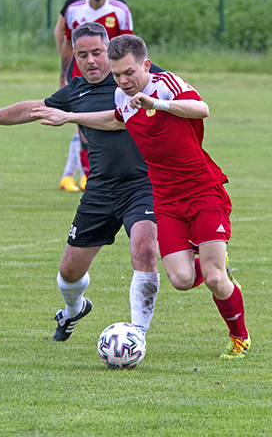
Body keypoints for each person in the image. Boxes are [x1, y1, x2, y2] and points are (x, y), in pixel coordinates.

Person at [32, 34, 250, 359]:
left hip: (202, 189)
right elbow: (114, 120)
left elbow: (201, 109)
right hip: (165, 198)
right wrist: (70, 117)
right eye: (118, 75)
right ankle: (209, 261)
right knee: (180, 278)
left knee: (217, 280)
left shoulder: (165, 84)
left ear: (145, 65)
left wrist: (156, 104)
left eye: (129, 73)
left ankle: (239, 338)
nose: (123, 80)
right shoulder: (122, 96)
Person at [0, 22, 160, 342]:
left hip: (143, 183)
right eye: (82, 55)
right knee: (69, 272)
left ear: (110, 50)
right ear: (73, 57)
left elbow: (130, 119)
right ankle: (74, 309)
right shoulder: (76, 91)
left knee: (145, 249)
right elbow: (32, 110)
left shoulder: (138, 78)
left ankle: (138, 336)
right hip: (100, 189)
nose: (91, 61)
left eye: (97, 53)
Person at [55, 0, 132, 193]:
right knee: (82, 125)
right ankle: (85, 175)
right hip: (80, 77)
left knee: (105, 124)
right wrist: (63, 74)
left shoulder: (120, 10)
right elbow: (68, 42)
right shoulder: (74, 8)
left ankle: (91, 174)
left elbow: (127, 46)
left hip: (110, 78)